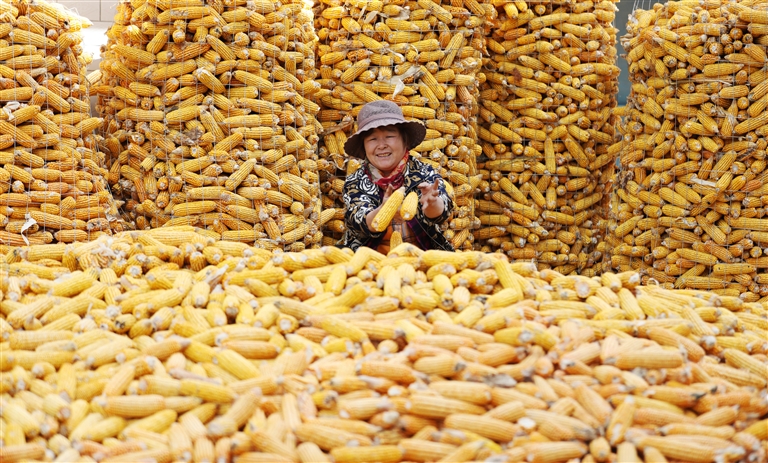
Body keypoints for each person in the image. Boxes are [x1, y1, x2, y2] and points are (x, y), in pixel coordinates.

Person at [340, 100, 454, 253]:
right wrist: (382, 211)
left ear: (405, 141)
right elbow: (357, 220)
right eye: (372, 139)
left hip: (422, 255)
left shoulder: (424, 173)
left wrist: (432, 204)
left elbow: (442, 213)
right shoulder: (356, 181)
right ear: (364, 146)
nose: (381, 145)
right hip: (371, 258)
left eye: (389, 136)